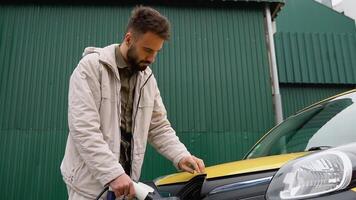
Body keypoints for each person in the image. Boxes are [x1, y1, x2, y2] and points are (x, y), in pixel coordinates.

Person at [60, 5, 205, 200]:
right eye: (147, 50)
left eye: (157, 52)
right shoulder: (91, 68)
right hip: (89, 189)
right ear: (129, 39)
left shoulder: (147, 79)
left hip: (126, 188)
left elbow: (158, 127)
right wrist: (113, 174)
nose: (152, 58)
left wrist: (181, 156)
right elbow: (83, 129)